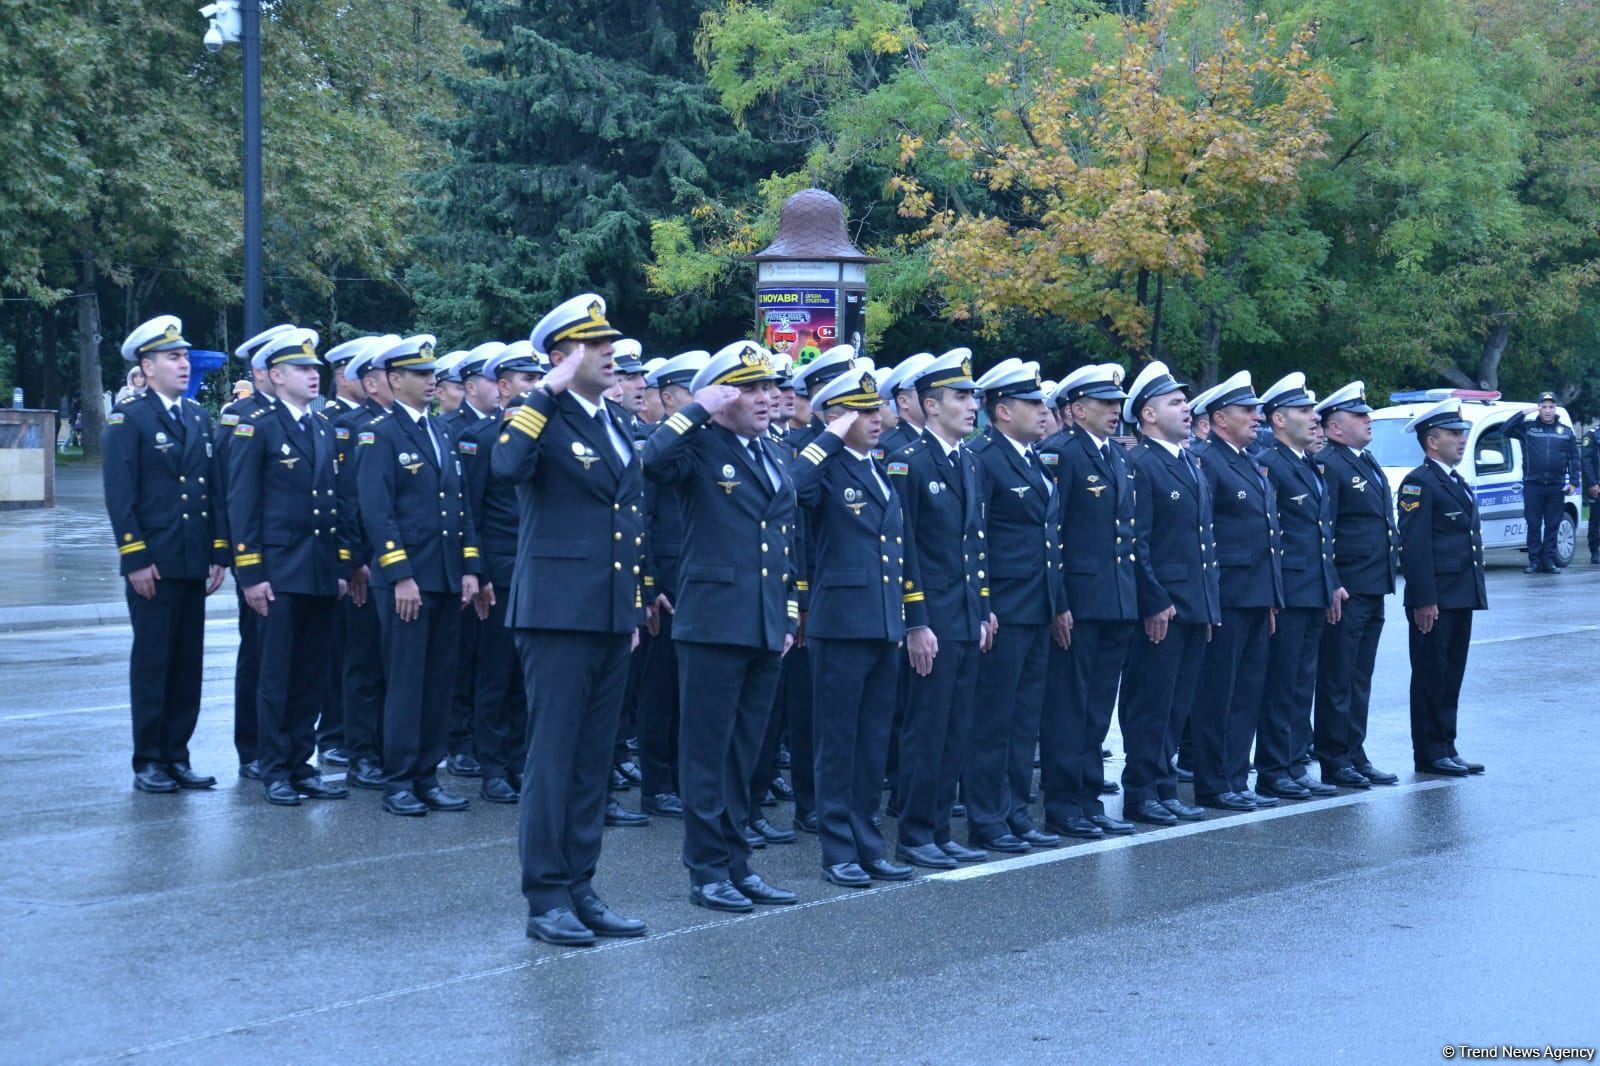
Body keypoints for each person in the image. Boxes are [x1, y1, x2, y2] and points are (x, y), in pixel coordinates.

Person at [492, 294, 650, 946]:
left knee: (592, 761)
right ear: (560, 356)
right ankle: (545, 897)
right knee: (554, 759)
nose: (611, 350)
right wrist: (545, 390)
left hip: (609, 615)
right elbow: (505, 467)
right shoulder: (540, 414)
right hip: (557, 614)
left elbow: (628, 519)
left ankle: (582, 886)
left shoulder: (611, 420)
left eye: (610, 338)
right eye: (594, 342)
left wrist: (632, 605)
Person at [644, 340, 800, 911]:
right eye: (750, 389)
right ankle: (707, 869)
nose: (766, 398)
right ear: (722, 395)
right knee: (707, 754)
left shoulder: (771, 452)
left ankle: (739, 862)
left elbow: (782, 542)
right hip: (712, 623)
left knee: (744, 752)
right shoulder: (699, 446)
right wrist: (696, 409)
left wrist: (785, 612)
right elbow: (652, 460)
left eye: (768, 388)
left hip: (761, 624)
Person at [790, 362, 914, 888]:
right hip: (840, 625)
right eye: (861, 412)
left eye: (875, 408)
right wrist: (828, 435)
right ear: (835, 417)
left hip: (882, 623)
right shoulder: (825, 466)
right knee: (837, 741)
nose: (876, 417)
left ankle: (868, 843)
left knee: (870, 743)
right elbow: (792, 489)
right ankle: (838, 849)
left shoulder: (877, 469)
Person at [357, 334, 490, 817]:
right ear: (394, 380)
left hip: (446, 577)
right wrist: (400, 576)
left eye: (432, 372)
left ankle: (427, 776)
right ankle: (398, 780)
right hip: (407, 581)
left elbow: (460, 508)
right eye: (419, 373)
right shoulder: (380, 433)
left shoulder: (442, 432)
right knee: (407, 683)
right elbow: (377, 511)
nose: (431, 380)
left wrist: (470, 568)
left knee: (438, 682)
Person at [104, 314, 229, 793]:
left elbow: (212, 490)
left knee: (186, 663)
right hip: (153, 561)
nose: (183, 364)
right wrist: (134, 558)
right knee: (154, 662)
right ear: (147, 364)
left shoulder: (197, 415)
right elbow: (121, 495)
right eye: (173, 357)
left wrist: (219, 552)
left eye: (184, 356)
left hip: (191, 559)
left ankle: (178, 754)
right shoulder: (129, 416)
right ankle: (149, 760)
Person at [226, 328, 350, 806]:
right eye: (302, 369)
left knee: (310, 674)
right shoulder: (257, 425)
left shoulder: (319, 426)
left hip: (317, 569)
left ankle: (302, 763)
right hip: (277, 570)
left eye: (315, 369)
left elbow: (332, 501)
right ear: (276, 376)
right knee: (275, 675)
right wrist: (251, 574)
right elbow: (243, 504)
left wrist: (339, 564)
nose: (313, 375)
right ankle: (275, 767)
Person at [885, 349, 992, 868]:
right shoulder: (910, 460)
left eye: (972, 396)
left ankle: (940, 826)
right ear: (931, 405)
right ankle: (914, 831)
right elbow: (902, 546)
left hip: (966, 616)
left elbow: (974, 543)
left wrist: (985, 606)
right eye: (960, 397)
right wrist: (916, 620)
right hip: (933, 619)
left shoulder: (965, 458)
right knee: (926, 729)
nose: (972, 406)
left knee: (956, 727)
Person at [966, 358, 1069, 853]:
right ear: (1002, 410)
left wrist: (1058, 602)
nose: (1041, 409)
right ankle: (987, 816)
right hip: (1004, 608)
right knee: (994, 719)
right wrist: (984, 604)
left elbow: (1048, 538)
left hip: (1035, 606)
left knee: (1023, 719)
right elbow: (976, 539)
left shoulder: (1030, 458)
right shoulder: (983, 457)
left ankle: (1015, 811)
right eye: (1031, 403)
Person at [1041, 362, 1139, 838]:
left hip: (1114, 600)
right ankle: (1063, 803)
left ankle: (1088, 798)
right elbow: (1051, 537)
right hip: (1078, 602)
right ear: (1078, 409)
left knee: (1098, 707)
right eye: (1105, 404)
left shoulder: (1115, 455)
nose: (1115, 411)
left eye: (1118, 403)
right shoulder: (1062, 454)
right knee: (1069, 706)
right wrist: (1059, 603)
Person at [1122, 362, 1217, 825]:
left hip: (1193, 603)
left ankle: (1164, 783)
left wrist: (1208, 602)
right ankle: (1141, 790)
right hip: (1162, 606)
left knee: (1178, 702)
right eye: (1175, 403)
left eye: (1185, 401)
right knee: (1151, 702)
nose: (1186, 409)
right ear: (1148, 415)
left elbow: (1202, 540)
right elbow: (1136, 542)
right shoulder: (1141, 463)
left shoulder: (1189, 461)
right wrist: (1154, 600)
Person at [1188, 372, 1283, 812]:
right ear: (1220, 418)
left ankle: (1235, 776)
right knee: (1217, 694)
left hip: (1255, 595)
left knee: (1246, 693)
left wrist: (1271, 598)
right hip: (1226, 595)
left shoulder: (1248, 461)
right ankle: (1213, 780)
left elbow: (1265, 534)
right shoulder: (1207, 460)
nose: (1256, 419)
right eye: (1247, 411)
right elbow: (1203, 533)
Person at [458, 343, 545, 804]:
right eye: (525, 380)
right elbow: (469, 510)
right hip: (501, 574)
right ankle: (492, 766)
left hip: (538, 575)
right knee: (496, 674)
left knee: (528, 680)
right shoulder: (482, 438)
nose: (534, 386)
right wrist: (478, 570)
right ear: (504, 387)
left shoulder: (544, 434)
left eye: (538, 379)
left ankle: (520, 761)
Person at [1253, 373, 1341, 800]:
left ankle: (1292, 762)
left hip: (1312, 589)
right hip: (1288, 589)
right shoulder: (1271, 463)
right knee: (1282, 682)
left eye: (1313, 411)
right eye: (1304, 412)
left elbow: (1319, 533)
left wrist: (1332, 585)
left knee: (1301, 681)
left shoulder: (1307, 463)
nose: (1314, 419)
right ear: (1278, 419)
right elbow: (1272, 535)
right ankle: (1274, 767)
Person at [216, 323, 296, 780]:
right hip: (260, 560)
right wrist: (236, 559)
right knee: (259, 657)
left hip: (292, 560)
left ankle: (284, 748)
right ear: (263, 369)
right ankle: (253, 747)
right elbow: (232, 491)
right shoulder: (241, 417)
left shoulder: (299, 418)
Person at [636, 350, 711, 820]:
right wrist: (648, 584)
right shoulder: (658, 446)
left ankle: (685, 777)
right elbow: (640, 519)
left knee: (693, 691)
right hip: (666, 581)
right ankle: (656, 781)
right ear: (668, 398)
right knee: (660, 689)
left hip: (696, 579)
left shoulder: (706, 446)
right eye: (691, 393)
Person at [1312, 382, 1400, 788]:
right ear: (1334, 427)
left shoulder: (1363, 460)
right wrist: (1332, 582)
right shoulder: (1329, 464)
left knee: (1359, 675)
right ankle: (1334, 755)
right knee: (1337, 676)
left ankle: (1354, 749)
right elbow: (1324, 529)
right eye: (1359, 416)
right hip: (1347, 586)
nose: (1368, 421)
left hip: (1372, 583)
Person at [1397, 399, 1488, 776]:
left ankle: (1447, 744)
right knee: (1431, 677)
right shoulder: (1419, 482)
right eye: (1453, 434)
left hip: (1460, 594)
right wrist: (1424, 599)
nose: (1461, 439)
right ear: (1432, 441)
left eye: (1461, 432)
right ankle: (1430, 751)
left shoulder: (1455, 480)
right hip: (1435, 599)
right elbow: (1414, 545)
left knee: (1451, 675)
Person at [332, 337, 399, 789]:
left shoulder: (412, 427)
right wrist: (355, 562)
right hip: (370, 566)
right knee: (364, 662)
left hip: (401, 566)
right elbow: (349, 500)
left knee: (395, 664)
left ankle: (388, 746)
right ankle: (362, 753)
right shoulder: (356, 426)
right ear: (372, 382)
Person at [441, 341, 506, 780]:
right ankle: (463, 741)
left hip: (518, 569)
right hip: (487, 568)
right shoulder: (465, 433)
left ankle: (501, 751)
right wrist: (476, 568)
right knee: (472, 663)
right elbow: (472, 511)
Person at [1503, 392, 1578, 574]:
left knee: (1553, 524)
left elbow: (1574, 459)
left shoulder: (1566, 432)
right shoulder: (1527, 428)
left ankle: (1549, 561)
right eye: (1543, 406)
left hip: (1556, 485)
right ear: (1538, 408)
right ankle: (1535, 561)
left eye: (1551, 406)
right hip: (1533, 485)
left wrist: (1574, 483)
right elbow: (1505, 430)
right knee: (1534, 524)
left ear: (1555, 409)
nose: (1547, 410)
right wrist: (1523, 413)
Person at [876, 352, 934, 454]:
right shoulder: (887, 446)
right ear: (903, 402)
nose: (936, 397)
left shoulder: (943, 438)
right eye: (925, 391)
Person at [1582, 425, 1600, 565]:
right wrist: (1592, 483)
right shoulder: (1592, 435)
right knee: (1596, 520)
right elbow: (1586, 461)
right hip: (1597, 484)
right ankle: (1595, 551)